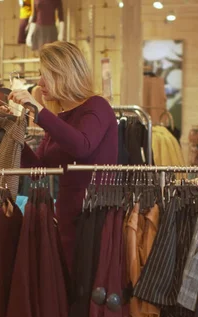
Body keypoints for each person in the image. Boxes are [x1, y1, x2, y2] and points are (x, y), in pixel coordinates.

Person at [9, 41, 118, 272]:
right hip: (67, 219)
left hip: (95, 218)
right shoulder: (60, 118)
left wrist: (40, 112)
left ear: (64, 75)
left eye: (45, 75)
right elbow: (37, 170)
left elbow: (82, 145)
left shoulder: (97, 107)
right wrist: (10, 132)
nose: (40, 83)